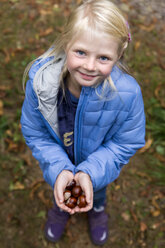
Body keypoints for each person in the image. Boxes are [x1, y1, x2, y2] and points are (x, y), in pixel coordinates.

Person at [21, 0, 145, 245]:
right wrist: (59, 170)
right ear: (67, 43)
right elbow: (36, 133)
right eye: (80, 52)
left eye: (103, 58)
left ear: (118, 55)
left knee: (96, 191)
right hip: (59, 163)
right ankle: (61, 207)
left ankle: (97, 209)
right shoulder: (41, 84)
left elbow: (125, 143)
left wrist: (91, 172)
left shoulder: (127, 95)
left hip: (98, 169)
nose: (89, 66)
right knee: (60, 189)